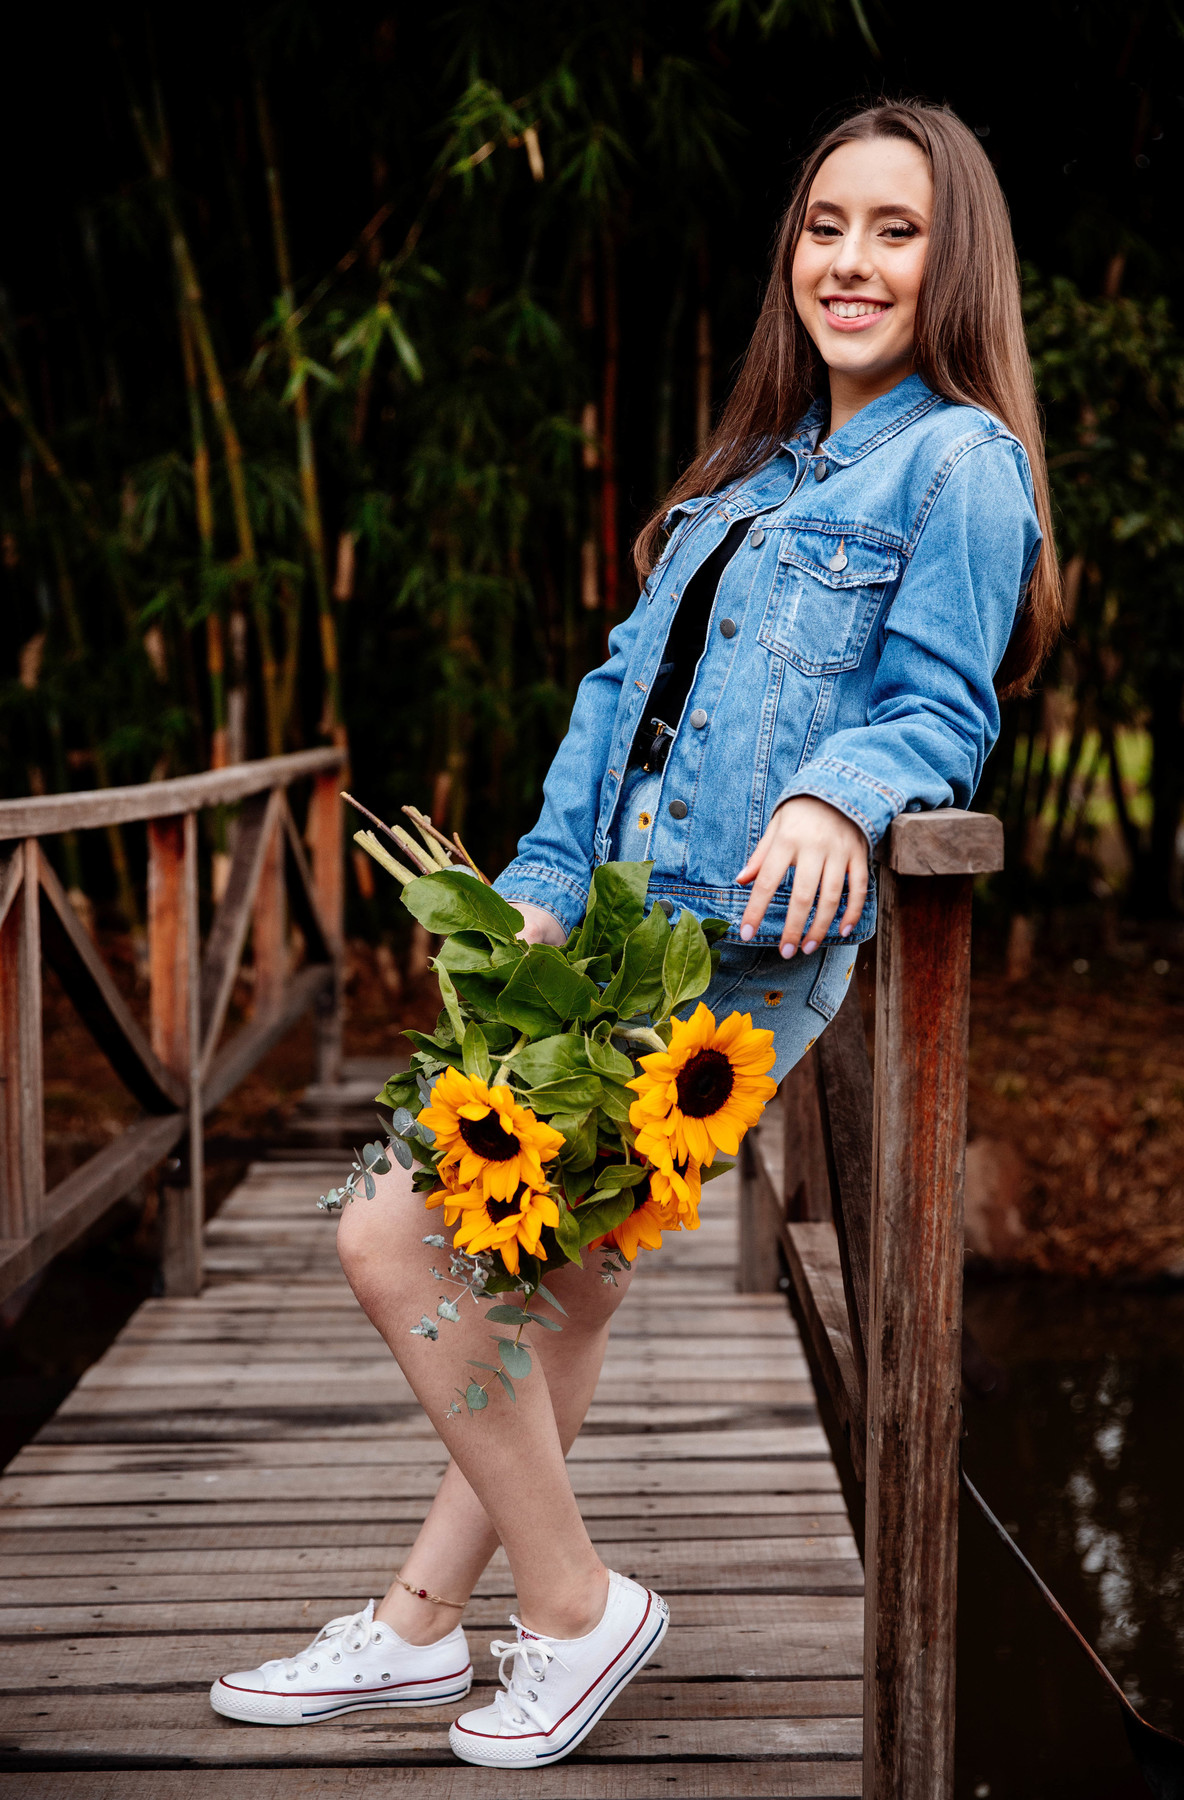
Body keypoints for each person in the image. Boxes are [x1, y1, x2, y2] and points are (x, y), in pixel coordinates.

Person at [208, 98, 1060, 1768]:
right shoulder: (749, 467)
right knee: (550, 1292)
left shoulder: (961, 462)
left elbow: (943, 707)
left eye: (897, 229)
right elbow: (619, 696)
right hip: (599, 929)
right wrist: (535, 867)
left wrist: (839, 793)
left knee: (393, 1237)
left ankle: (579, 1611)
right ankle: (413, 1631)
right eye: (826, 225)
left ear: (956, 260)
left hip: (731, 963)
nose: (853, 261)